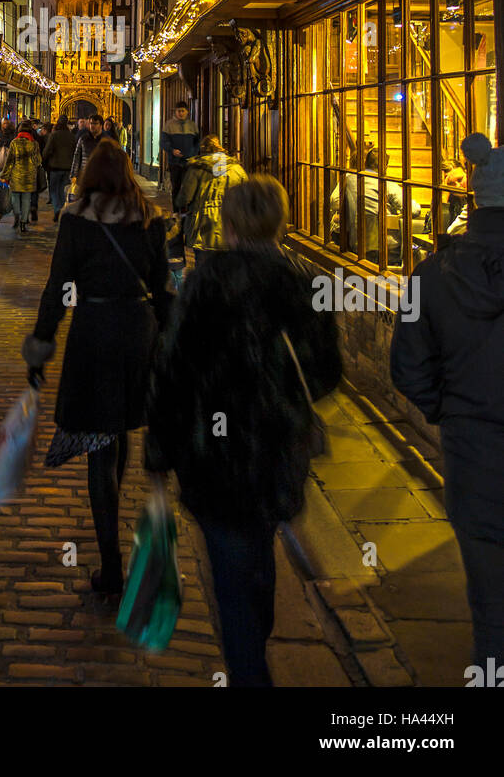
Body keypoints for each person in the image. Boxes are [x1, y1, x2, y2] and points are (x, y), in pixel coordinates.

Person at [145, 175, 342, 686]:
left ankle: (250, 668)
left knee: (234, 573)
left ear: (228, 225)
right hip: (276, 451)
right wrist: (283, 397)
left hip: (214, 457)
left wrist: (160, 451)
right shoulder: (296, 281)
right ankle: (253, 653)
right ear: (277, 222)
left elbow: (172, 371)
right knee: (256, 558)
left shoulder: (205, 284)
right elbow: (326, 370)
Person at [23, 140, 173, 595]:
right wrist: (168, 340)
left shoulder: (76, 219)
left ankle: (111, 565)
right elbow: (162, 286)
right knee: (121, 428)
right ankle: (113, 544)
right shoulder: (149, 219)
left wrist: (41, 344)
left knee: (100, 443)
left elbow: (57, 287)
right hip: (137, 331)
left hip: (93, 330)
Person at [391, 132, 504, 677]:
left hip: (472, 451)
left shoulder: (432, 274)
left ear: (474, 199)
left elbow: (408, 369)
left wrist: (451, 410)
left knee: (490, 609)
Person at [330, 148, 419, 261]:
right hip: (384, 246)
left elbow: (334, 201)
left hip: (356, 244)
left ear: (366, 162)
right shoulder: (385, 183)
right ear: (385, 167)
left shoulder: (349, 180)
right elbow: (414, 210)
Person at [178, 135, 248, 261]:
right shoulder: (237, 170)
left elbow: (184, 197)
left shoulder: (197, 169)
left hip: (202, 228)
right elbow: (246, 197)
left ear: (203, 149)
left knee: (203, 269)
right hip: (229, 227)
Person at [0, 119, 42, 233]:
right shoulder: (34, 144)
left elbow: (9, 161)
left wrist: (4, 175)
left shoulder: (14, 143)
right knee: (26, 199)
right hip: (29, 176)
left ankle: (17, 215)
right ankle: (24, 222)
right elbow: (38, 161)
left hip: (16, 175)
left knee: (15, 197)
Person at [160, 103, 200, 208]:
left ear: (187, 111)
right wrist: (172, 150)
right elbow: (163, 142)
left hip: (189, 162)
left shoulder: (192, 125)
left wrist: (193, 154)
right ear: (175, 111)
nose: (181, 113)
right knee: (176, 187)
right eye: (179, 111)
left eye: (183, 111)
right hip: (175, 162)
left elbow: (197, 143)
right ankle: (176, 211)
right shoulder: (169, 125)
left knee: (189, 186)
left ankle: (187, 210)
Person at [42, 114, 76, 222]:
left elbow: (47, 151)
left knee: (53, 190)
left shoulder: (54, 135)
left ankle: (58, 208)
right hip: (67, 167)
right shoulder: (71, 136)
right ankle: (62, 208)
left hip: (55, 166)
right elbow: (75, 152)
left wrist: (44, 160)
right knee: (62, 189)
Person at [70, 114, 104, 184]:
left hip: (101, 177)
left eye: (95, 123)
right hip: (85, 176)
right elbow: (77, 157)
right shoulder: (83, 139)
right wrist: (73, 175)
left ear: (101, 125)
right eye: (91, 123)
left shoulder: (106, 140)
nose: (92, 125)